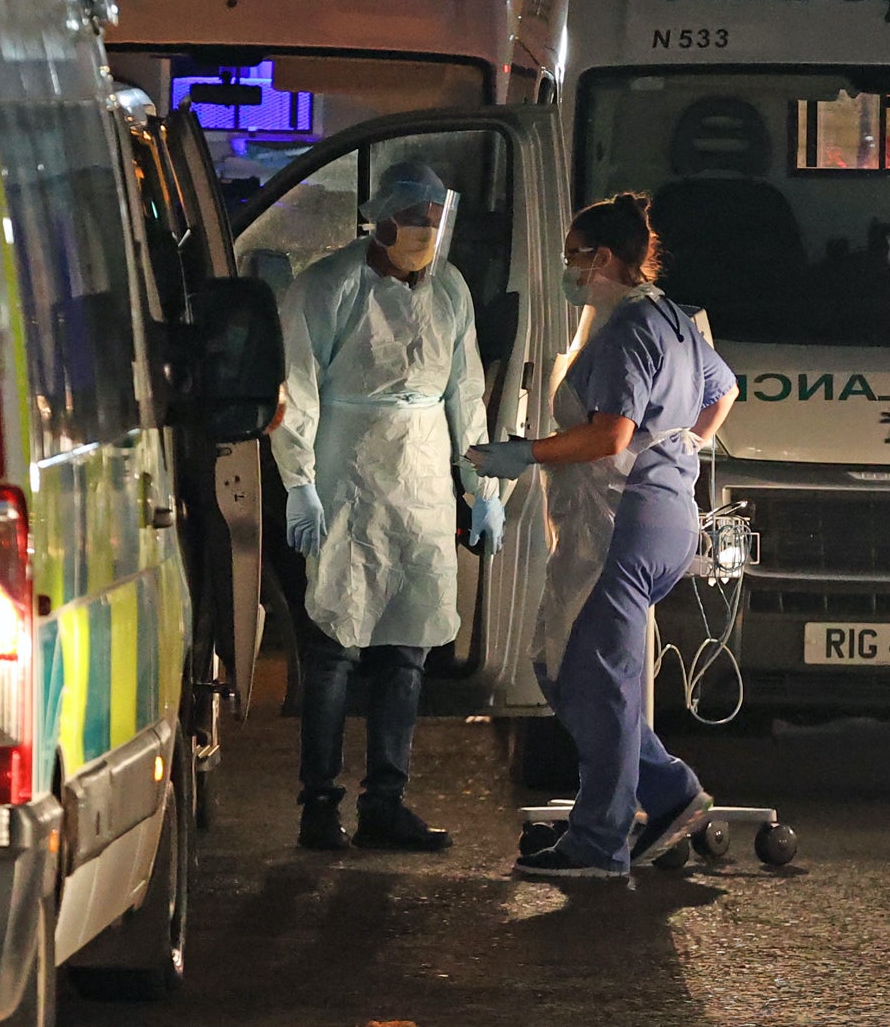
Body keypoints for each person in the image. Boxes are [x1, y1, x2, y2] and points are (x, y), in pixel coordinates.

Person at [469, 191, 739, 879]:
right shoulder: (673, 319)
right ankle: (670, 794)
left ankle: (600, 842)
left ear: (607, 259)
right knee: (575, 672)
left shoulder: (624, 332)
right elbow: (725, 389)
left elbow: (609, 434)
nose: (568, 270)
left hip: (621, 524)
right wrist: (679, 450)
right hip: (662, 515)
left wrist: (525, 453)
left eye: (574, 257)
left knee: (592, 680)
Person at [273, 159, 504, 852]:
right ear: (382, 216)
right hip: (348, 470)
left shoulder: (450, 289)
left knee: (409, 643)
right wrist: (300, 479)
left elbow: (466, 392)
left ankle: (386, 799)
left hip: (425, 475)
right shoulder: (330, 286)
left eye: (436, 218)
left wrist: (480, 488)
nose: (427, 230)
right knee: (334, 643)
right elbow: (298, 386)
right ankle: (319, 803)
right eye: (416, 217)